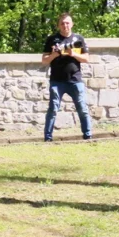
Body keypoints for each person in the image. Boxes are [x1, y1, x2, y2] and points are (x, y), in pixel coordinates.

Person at [42, 13, 91, 141]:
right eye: (62, 23)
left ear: (72, 24)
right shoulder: (52, 40)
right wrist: (54, 54)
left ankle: (88, 135)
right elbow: (44, 60)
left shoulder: (78, 39)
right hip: (57, 81)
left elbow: (86, 59)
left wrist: (73, 53)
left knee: (82, 108)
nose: (65, 26)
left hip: (75, 79)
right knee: (53, 109)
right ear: (59, 25)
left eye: (67, 23)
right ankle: (48, 138)